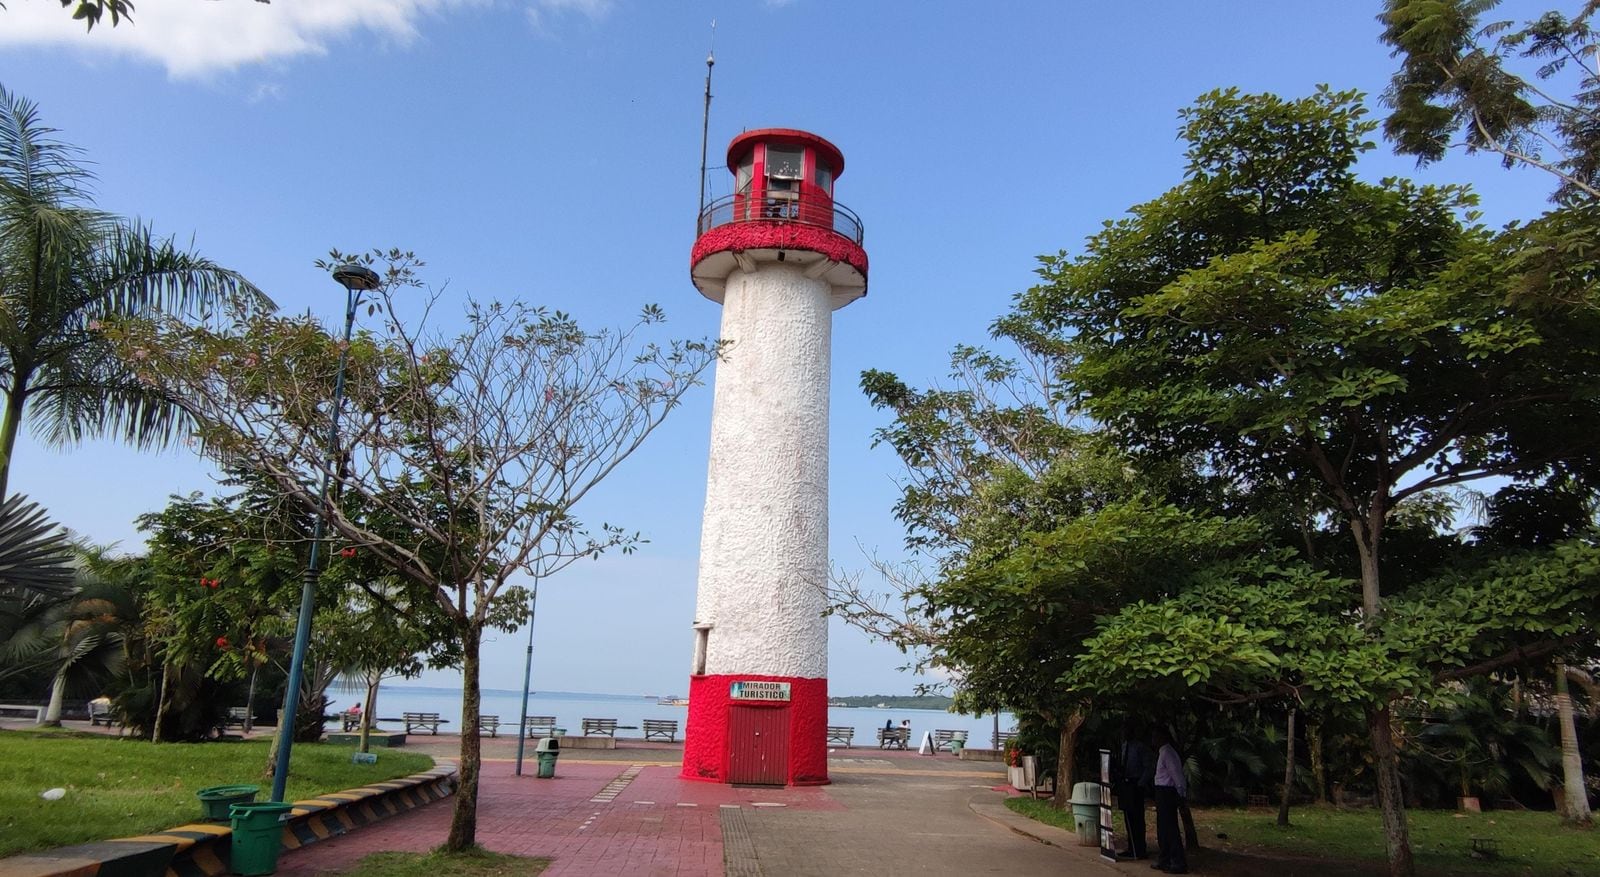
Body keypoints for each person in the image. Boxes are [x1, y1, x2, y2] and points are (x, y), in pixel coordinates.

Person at [1151, 725, 1189, 874]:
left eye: (1156, 736)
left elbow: (1177, 775)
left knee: (1170, 827)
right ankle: (1164, 858)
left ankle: (1178, 861)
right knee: (1163, 827)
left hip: (1168, 792)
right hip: (1161, 791)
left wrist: (1181, 793)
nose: (1153, 740)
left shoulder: (1168, 752)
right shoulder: (1162, 752)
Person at [1115, 719, 1155, 860]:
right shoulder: (1125, 746)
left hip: (1136, 783)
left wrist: (1141, 783)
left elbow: (1149, 767)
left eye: (1126, 730)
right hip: (1126, 783)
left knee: (1137, 817)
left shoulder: (1140, 747)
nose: (1124, 733)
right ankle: (1131, 847)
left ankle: (1140, 848)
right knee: (1128, 817)